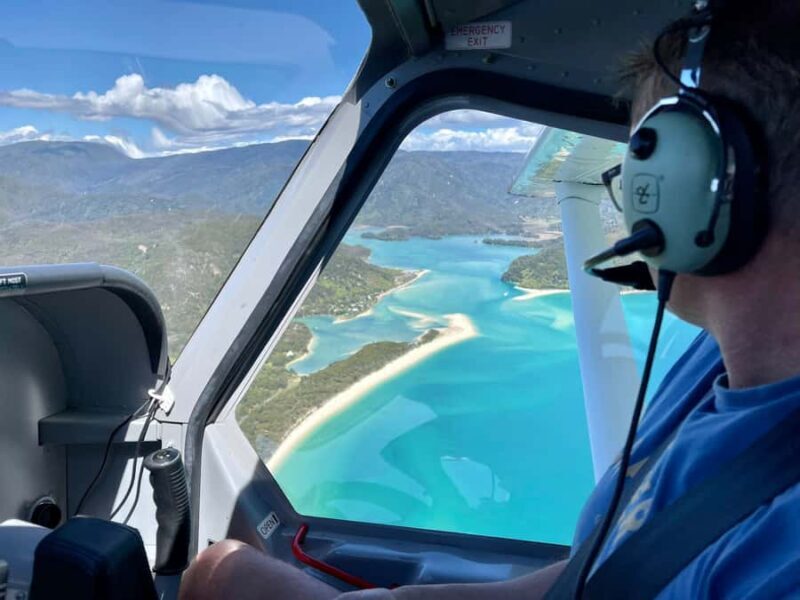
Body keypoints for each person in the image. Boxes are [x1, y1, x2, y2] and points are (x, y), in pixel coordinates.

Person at [179, 2, 800, 597]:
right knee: (222, 570)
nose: (633, 209)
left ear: (691, 188)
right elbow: (593, 577)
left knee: (219, 572)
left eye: (636, 172)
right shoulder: (714, 368)